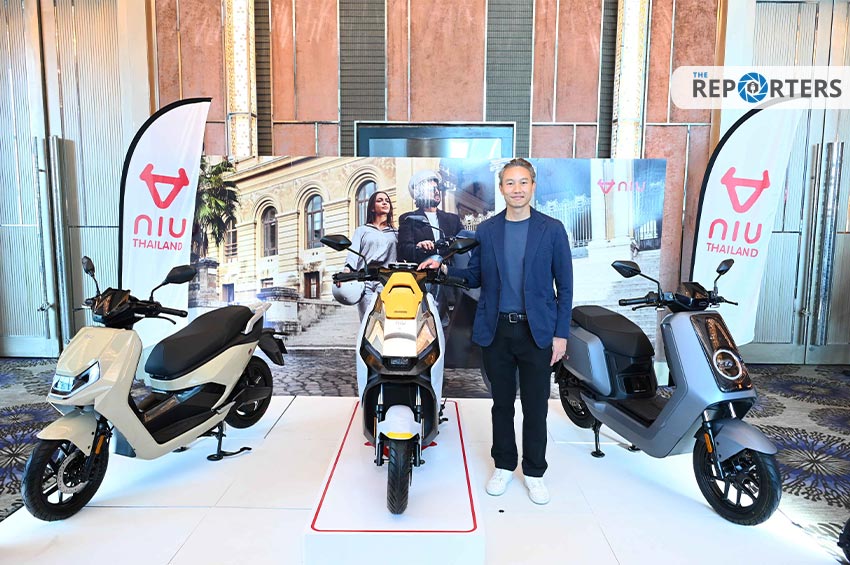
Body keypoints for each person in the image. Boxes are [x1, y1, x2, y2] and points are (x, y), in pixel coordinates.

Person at [419, 158, 573, 505]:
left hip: (537, 333)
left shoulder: (552, 230)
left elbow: (565, 287)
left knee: (536, 407)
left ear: (533, 186)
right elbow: (475, 276)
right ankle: (503, 465)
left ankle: (534, 472)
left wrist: (560, 335)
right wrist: (443, 269)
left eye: (523, 182)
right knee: (501, 405)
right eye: (510, 183)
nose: (517, 189)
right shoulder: (487, 231)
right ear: (501, 188)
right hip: (497, 330)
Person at [398, 169, 463, 324]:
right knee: (428, 322)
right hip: (425, 279)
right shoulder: (409, 219)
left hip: (450, 277)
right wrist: (418, 247)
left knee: (456, 323)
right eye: (430, 188)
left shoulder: (452, 219)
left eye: (437, 188)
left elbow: (462, 244)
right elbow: (403, 249)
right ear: (418, 193)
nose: (436, 191)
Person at [337, 191, 398, 320]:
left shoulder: (396, 233)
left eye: (387, 201)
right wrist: (346, 273)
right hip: (365, 282)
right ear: (372, 208)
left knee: (386, 322)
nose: (385, 203)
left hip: (387, 281)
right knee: (368, 322)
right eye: (380, 200)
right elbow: (353, 253)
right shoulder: (362, 230)